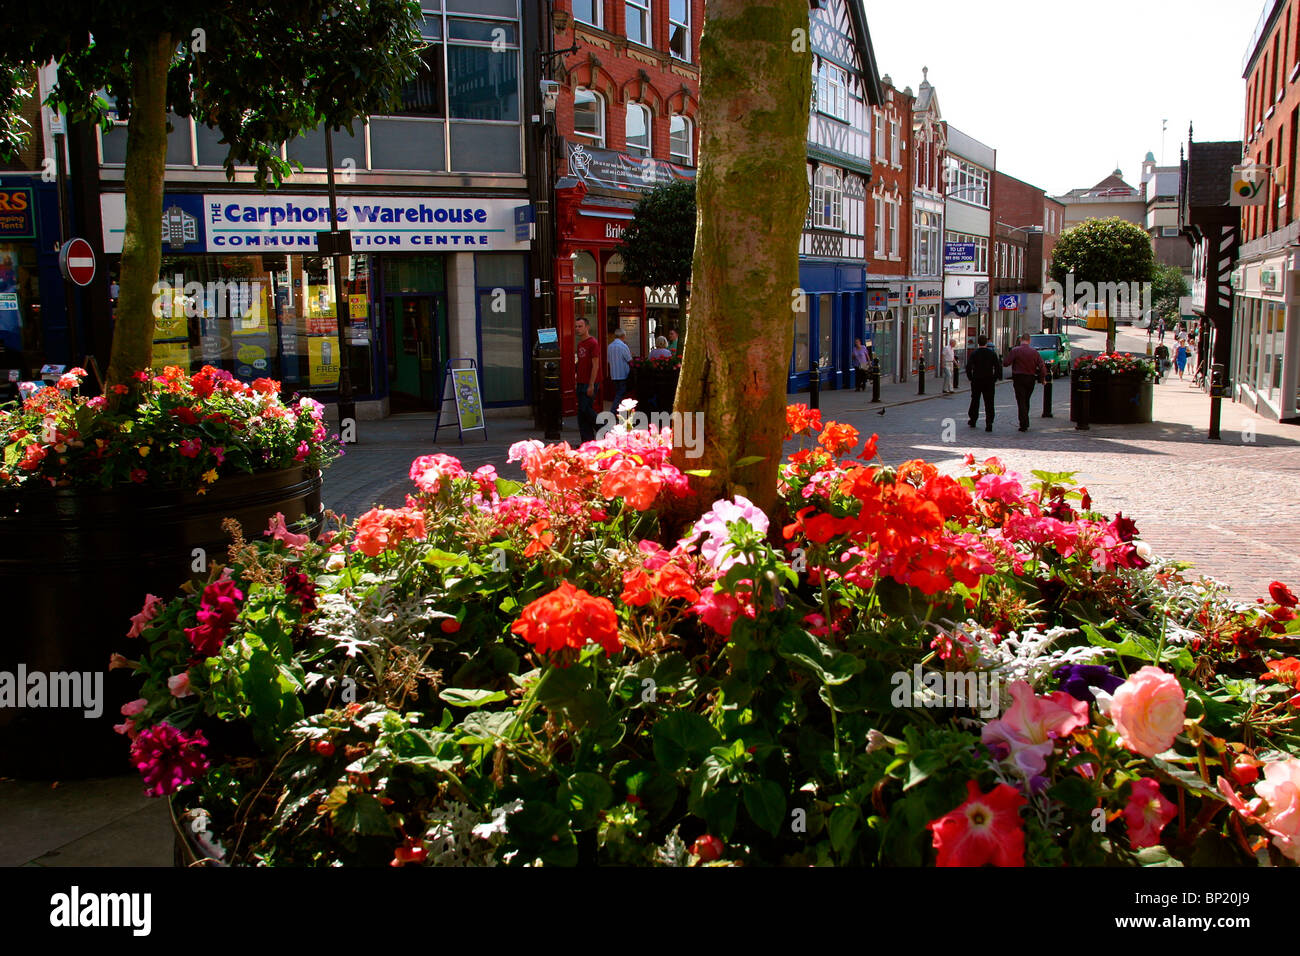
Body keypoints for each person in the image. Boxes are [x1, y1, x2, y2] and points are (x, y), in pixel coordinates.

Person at [1003, 332, 1047, 432]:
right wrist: (1042, 379)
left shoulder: (1016, 350)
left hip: (1018, 378)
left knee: (1021, 400)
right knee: (1026, 399)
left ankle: (1023, 423)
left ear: (1020, 340)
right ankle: (1025, 420)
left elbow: (1006, 363)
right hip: (1030, 378)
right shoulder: (1034, 352)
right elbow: (1042, 366)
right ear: (1029, 340)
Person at [965, 334, 1001, 432]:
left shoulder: (974, 353)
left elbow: (968, 367)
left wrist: (971, 378)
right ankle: (989, 422)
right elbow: (998, 367)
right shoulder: (992, 354)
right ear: (986, 342)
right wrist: (994, 378)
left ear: (978, 342)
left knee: (975, 400)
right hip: (988, 380)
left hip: (977, 380)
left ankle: (973, 419)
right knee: (989, 402)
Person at [574, 317, 600, 442]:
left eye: (580, 326)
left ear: (587, 327)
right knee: (581, 414)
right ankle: (587, 441)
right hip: (580, 382)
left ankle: (603, 429)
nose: (577, 329)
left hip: (589, 382)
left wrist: (591, 385)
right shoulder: (580, 344)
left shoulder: (593, 343)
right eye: (576, 326)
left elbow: (596, 365)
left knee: (586, 409)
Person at [607, 327, 632, 412]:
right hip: (623, 374)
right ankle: (613, 411)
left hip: (614, 374)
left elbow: (608, 360)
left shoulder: (610, 346)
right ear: (623, 336)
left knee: (618, 393)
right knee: (620, 394)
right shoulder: (623, 346)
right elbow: (629, 360)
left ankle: (618, 412)